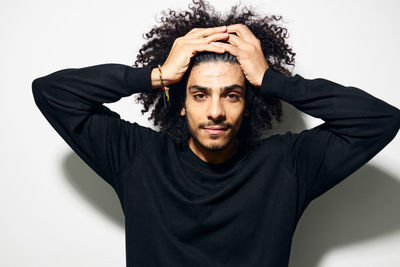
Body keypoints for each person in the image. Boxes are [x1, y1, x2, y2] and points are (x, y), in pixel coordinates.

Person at [31, 0, 400, 266]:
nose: (215, 111)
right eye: (199, 94)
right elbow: (52, 92)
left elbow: (379, 120)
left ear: (249, 103)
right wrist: (156, 75)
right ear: (180, 102)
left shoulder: (287, 166)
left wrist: (272, 81)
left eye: (232, 95)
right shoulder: (136, 158)